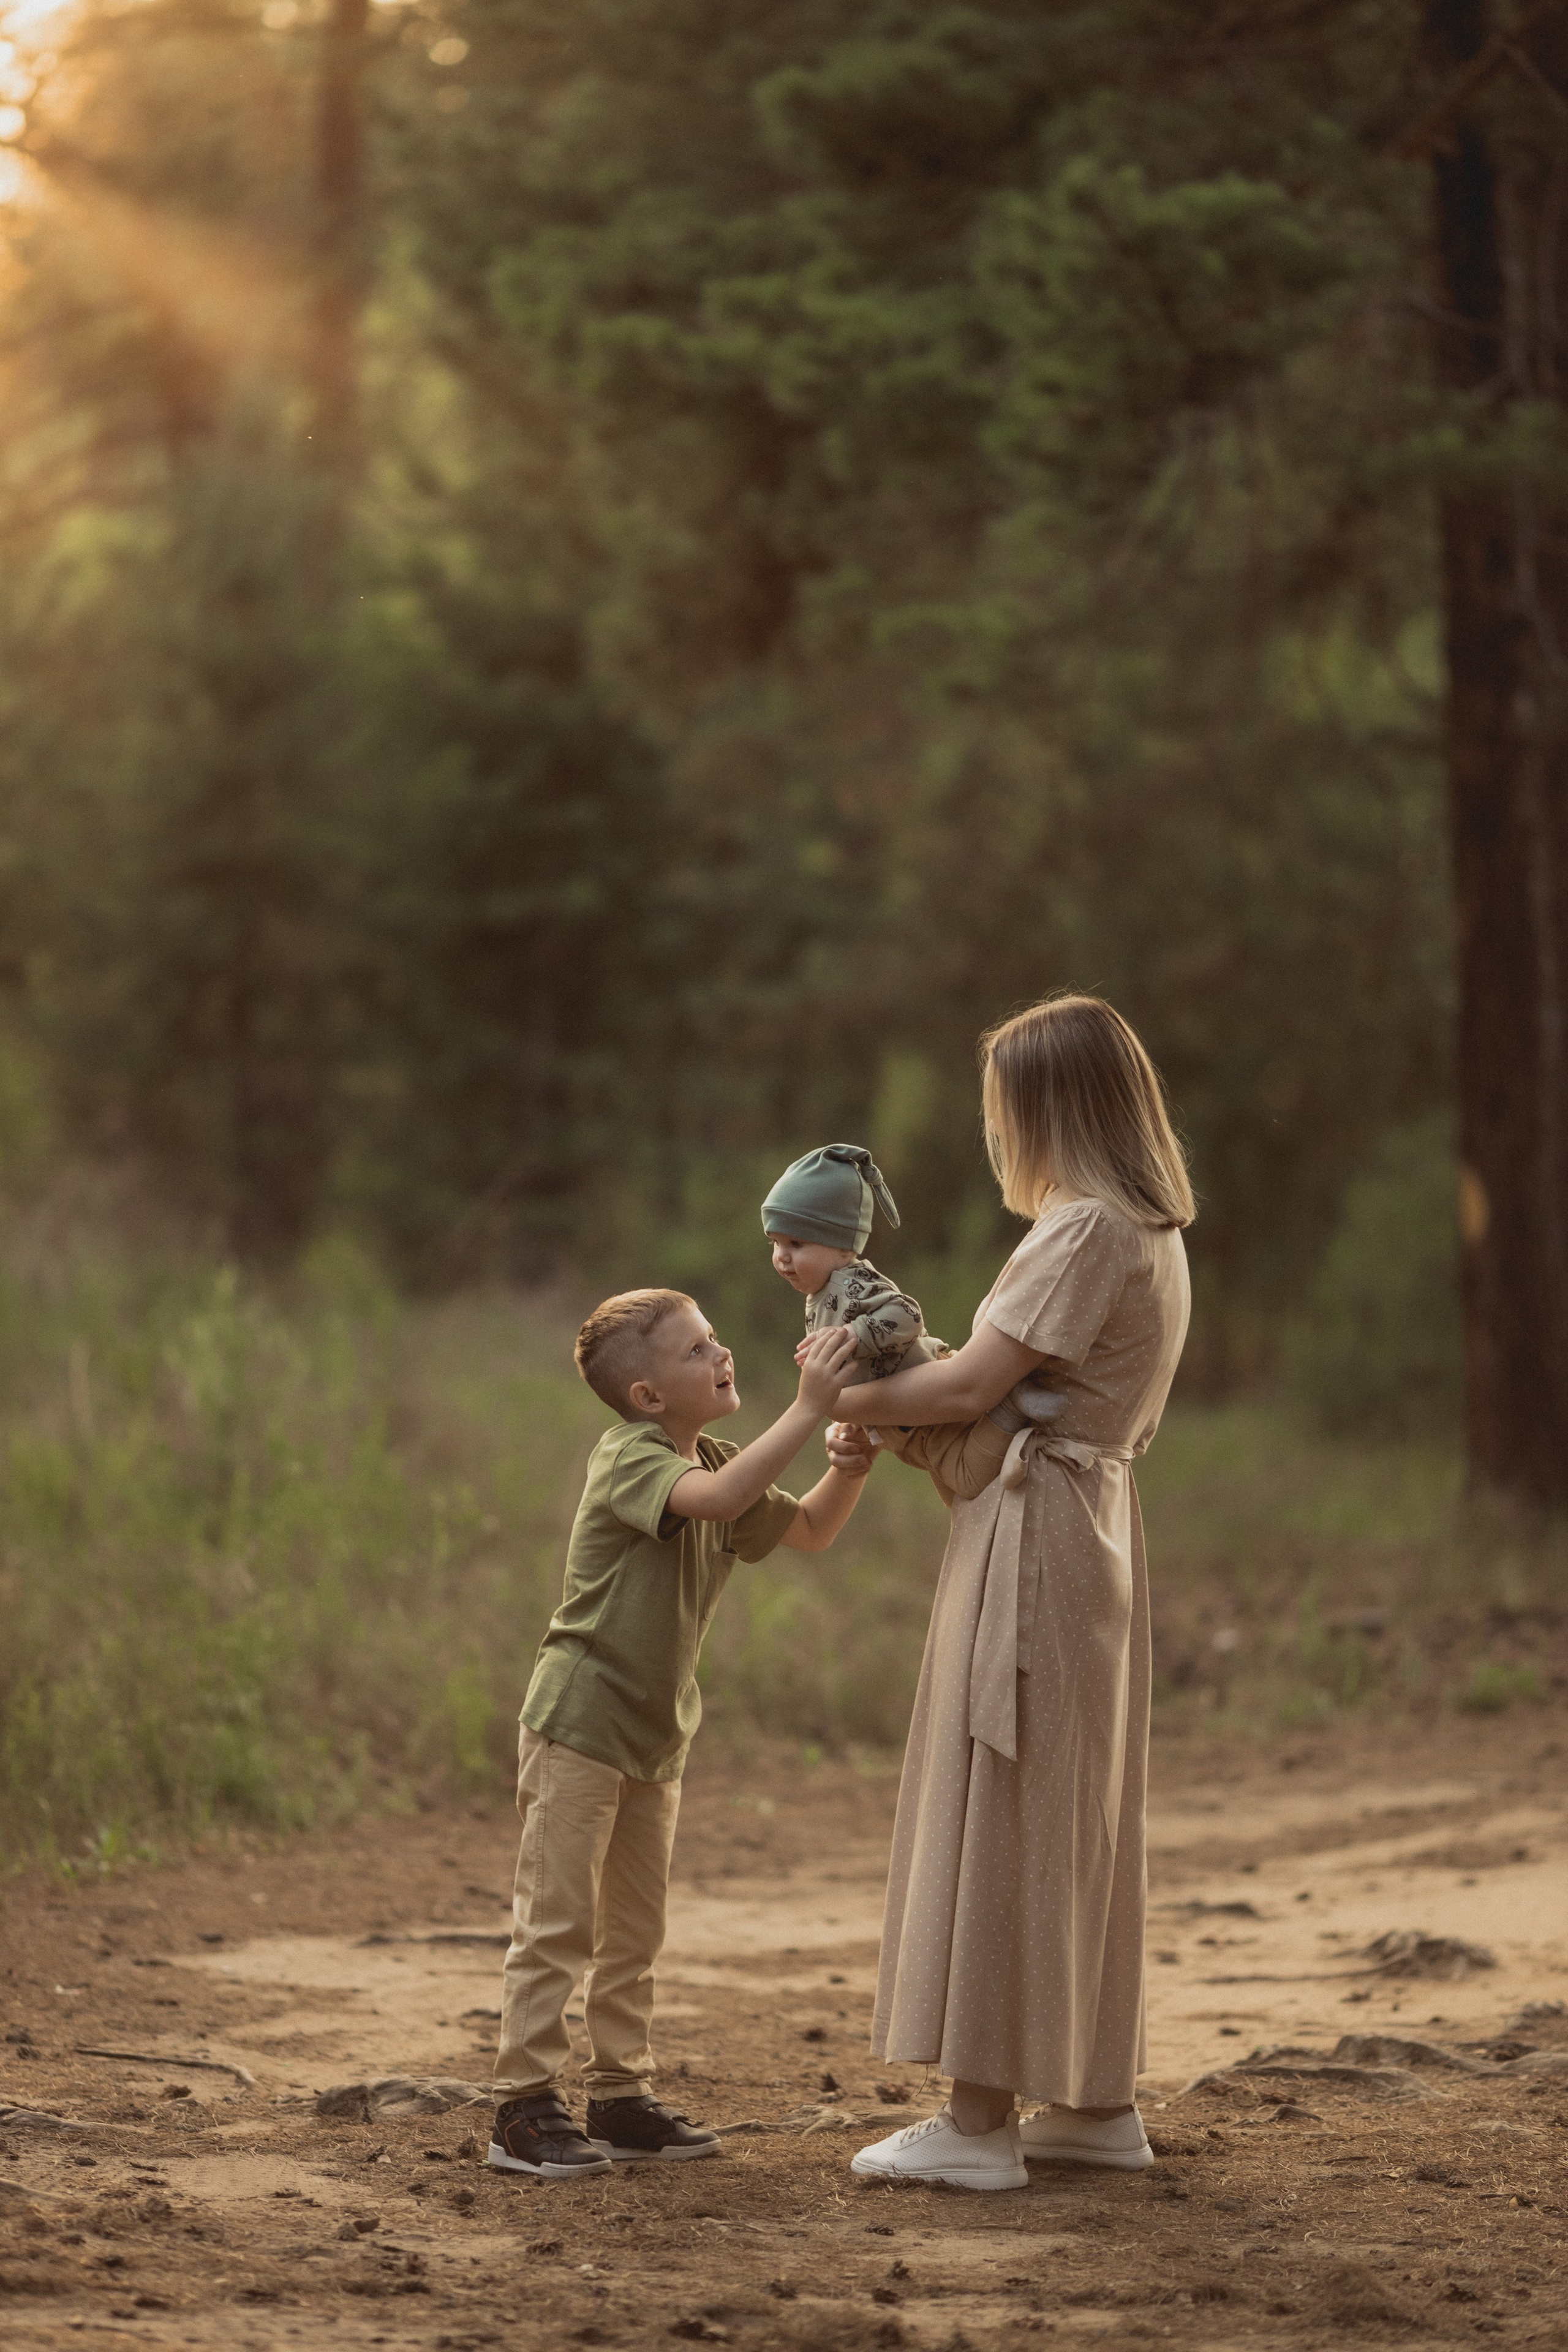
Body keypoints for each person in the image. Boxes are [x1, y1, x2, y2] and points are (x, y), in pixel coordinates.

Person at [830, 995, 1194, 2192]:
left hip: (1035, 1532)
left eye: (1005, 1111)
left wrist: (846, 1392)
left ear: (1044, 1110)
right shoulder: (1148, 1230)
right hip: (1088, 1525)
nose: (1000, 1137)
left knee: (1001, 1799)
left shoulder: (1080, 1228)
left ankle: (977, 2121)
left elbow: (968, 1385)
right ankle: (1091, 2101)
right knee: (1066, 1813)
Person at [487, 1288, 867, 2180]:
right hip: (580, 1721)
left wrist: (847, 1464)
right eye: (696, 1350)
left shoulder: (723, 1459)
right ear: (649, 1397)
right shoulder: (628, 1457)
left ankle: (620, 2095)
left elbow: (806, 1529)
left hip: (654, 1737)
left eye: (715, 1338)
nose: (721, 1354)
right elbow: (722, 1497)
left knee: (634, 1930)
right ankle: (522, 2106)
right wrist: (811, 1409)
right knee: (559, 1923)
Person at [762, 1143, 1063, 1507]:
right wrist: (854, 1423)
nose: (782, 1258)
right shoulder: (824, 1294)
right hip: (904, 1421)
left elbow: (907, 1316)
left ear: (843, 1244)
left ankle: (1013, 1406)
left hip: (928, 1404)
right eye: (775, 1243)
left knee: (965, 1480)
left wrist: (850, 1336)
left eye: (796, 1243)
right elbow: (863, 1374)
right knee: (957, 1491)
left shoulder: (852, 1284)